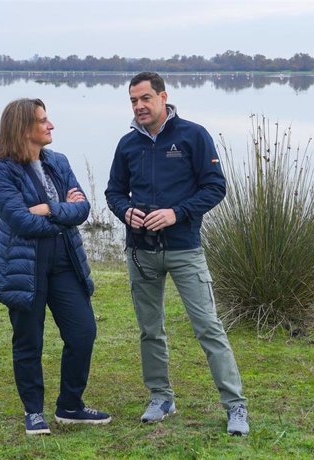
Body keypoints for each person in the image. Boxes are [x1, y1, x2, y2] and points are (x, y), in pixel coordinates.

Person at [105, 72, 249, 436]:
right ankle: (161, 397)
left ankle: (235, 406)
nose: (139, 106)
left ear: (163, 97)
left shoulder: (193, 135)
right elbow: (114, 192)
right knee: (150, 330)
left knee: (208, 328)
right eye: (133, 101)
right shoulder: (126, 145)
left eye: (144, 98)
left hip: (184, 249)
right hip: (141, 252)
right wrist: (125, 211)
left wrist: (176, 213)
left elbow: (216, 187)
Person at [0, 98, 111, 435]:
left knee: (83, 331)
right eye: (43, 121)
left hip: (64, 261)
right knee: (29, 340)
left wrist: (47, 209)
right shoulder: (2, 168)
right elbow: (20, 221)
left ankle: (70, 406)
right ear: (24, 129)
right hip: (25, 266)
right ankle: (33, 412)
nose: (51, 125)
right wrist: (60, 213)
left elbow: (83, 208)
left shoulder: (58, 161)